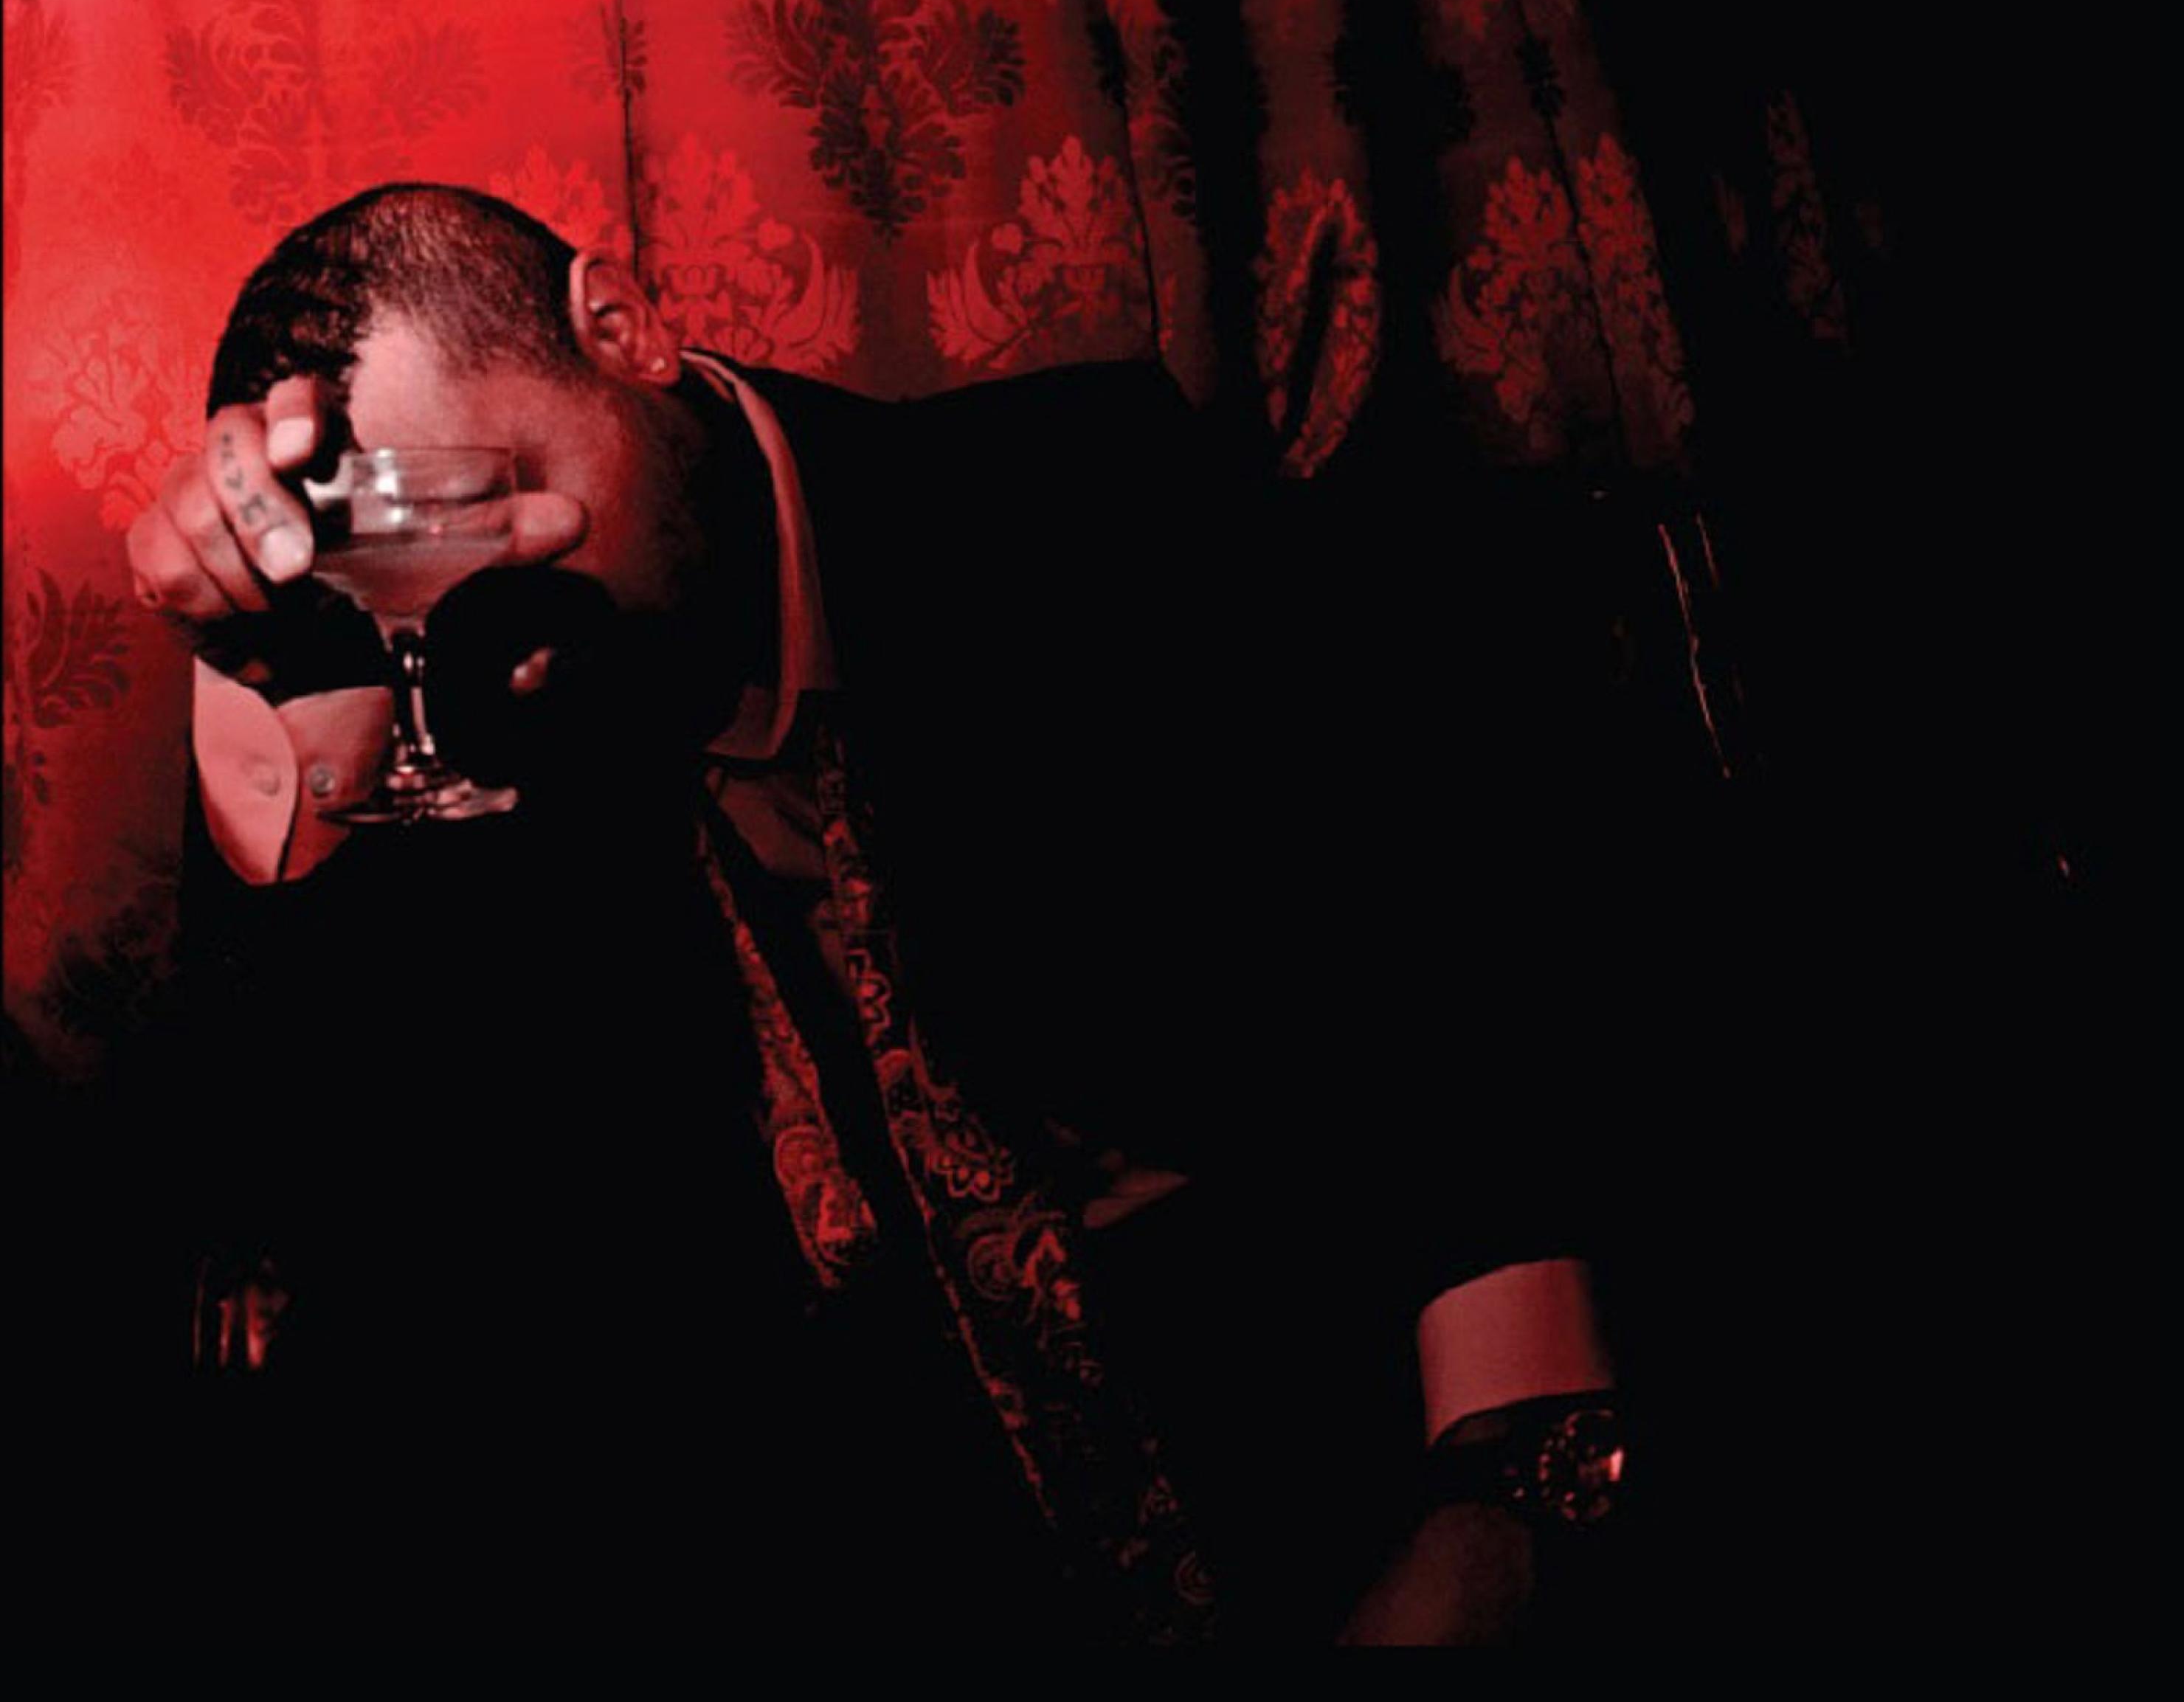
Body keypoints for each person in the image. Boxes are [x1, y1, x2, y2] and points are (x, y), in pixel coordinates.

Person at [110, 181, 1626, 1646]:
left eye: (497, 515)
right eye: (418, 580)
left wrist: (1508, 1491)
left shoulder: (1087, 494)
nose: (501, 647)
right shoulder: (474, 757)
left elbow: (1449, 985)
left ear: (624, 328)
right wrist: (290, 696)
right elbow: (359, 1257)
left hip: (1320, 1468)